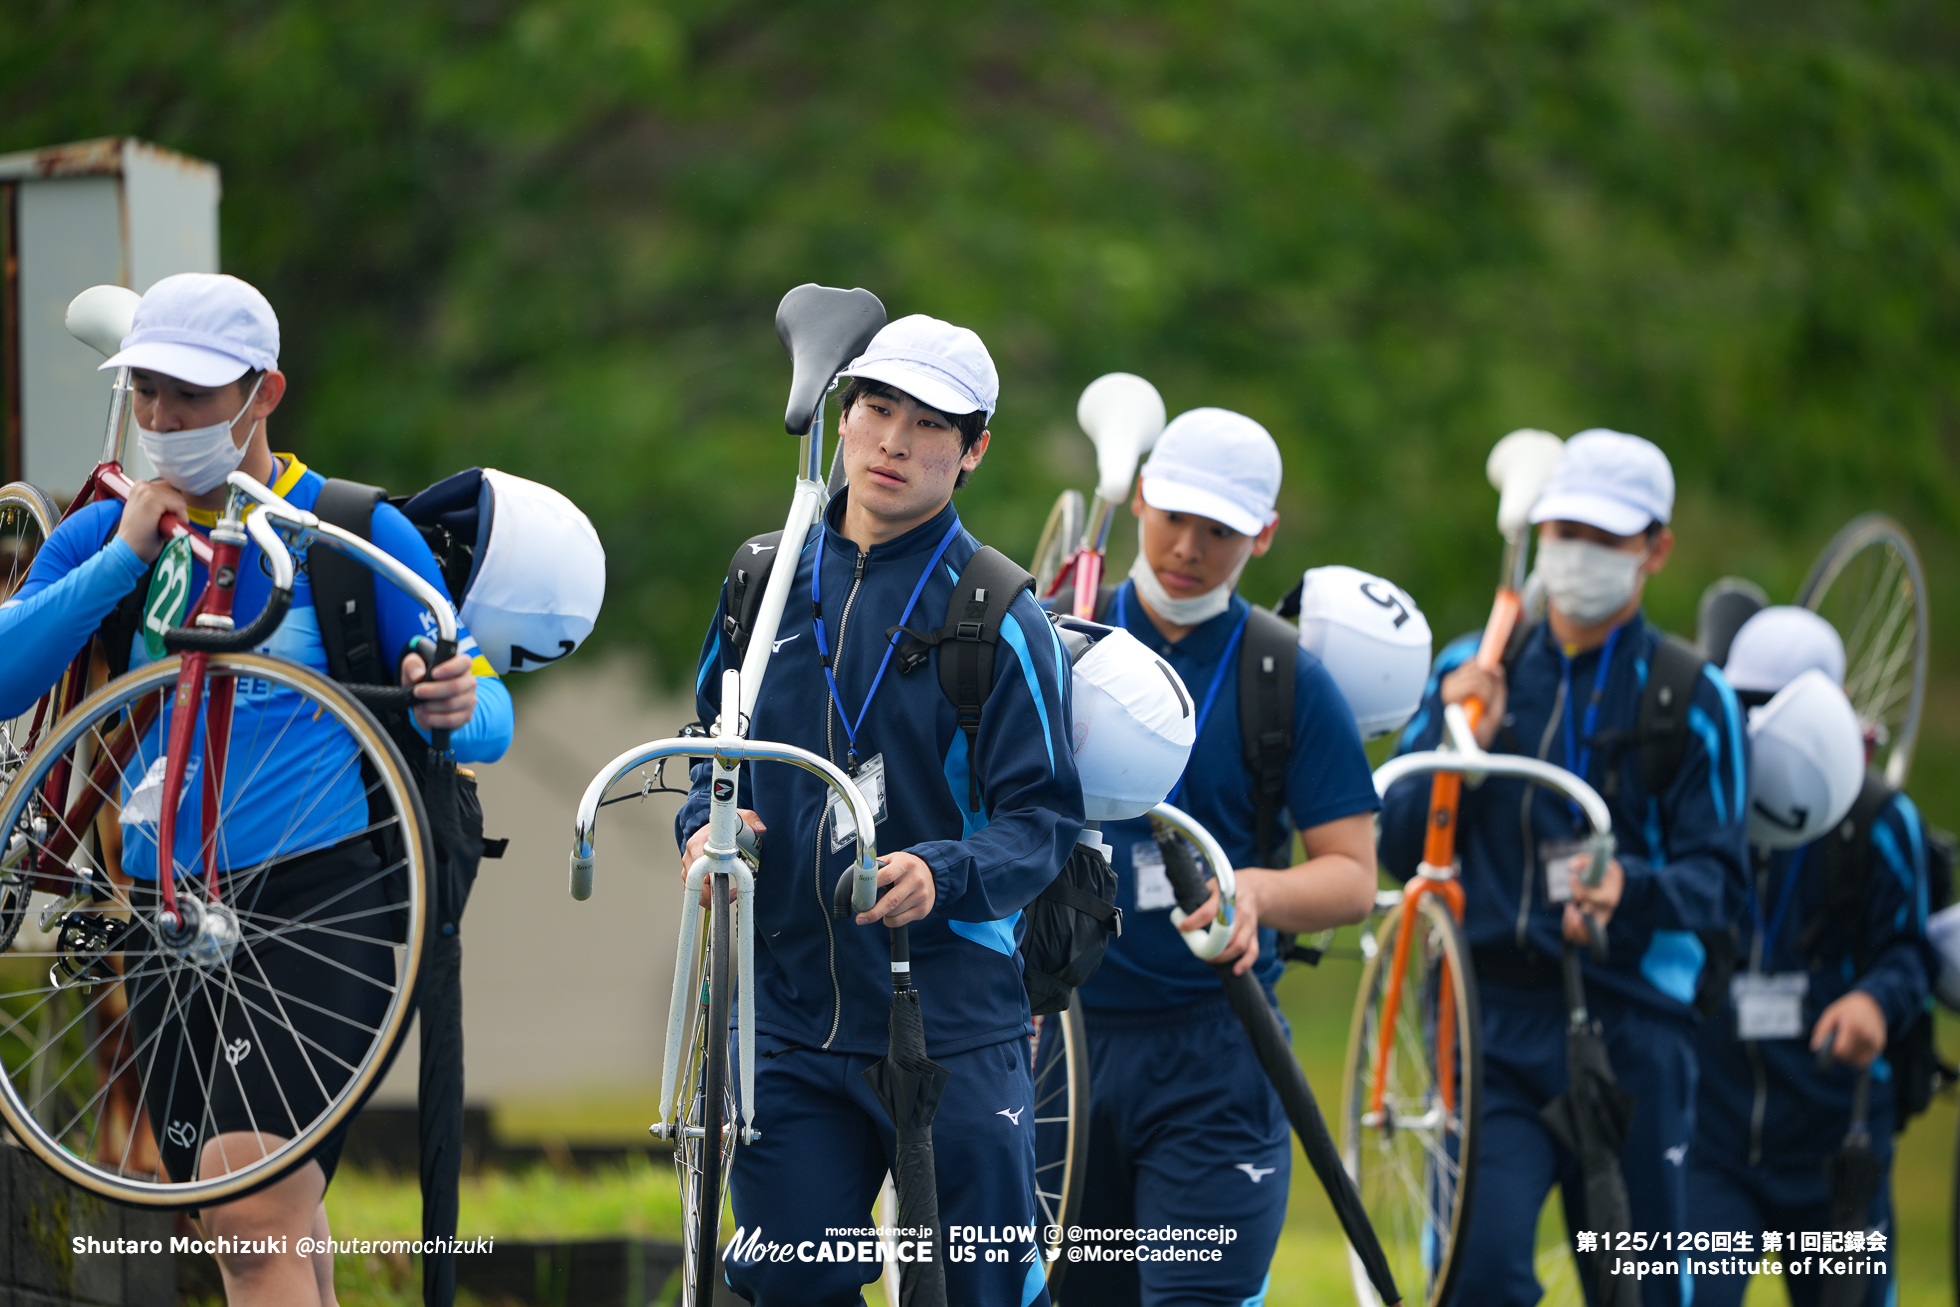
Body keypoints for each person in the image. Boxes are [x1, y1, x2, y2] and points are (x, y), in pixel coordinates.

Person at [0, 272, 513, 1307]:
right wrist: (123, 559)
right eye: (145, 392)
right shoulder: (110, 528)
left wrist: (454, 698)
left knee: (243, 1202)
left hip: (318, 895)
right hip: (164, 912)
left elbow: (488, 714)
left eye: (189, 396)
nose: (160, 419)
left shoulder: (352, 530)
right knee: (257, 1214)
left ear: (264, 391)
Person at [676, 313, 1082, 1307]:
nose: (894, 441)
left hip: (954, 1020)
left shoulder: (995, 609)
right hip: (787, 1026)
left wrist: (944, 871)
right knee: (792, 1286)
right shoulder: (758, 582)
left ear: (974, 448)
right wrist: (700, 830)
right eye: (876, 407)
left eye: (930, 423)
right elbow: (707, 753)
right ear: (840, 415)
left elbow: (1045, 821)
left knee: (972, 1290)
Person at [1380, 429, 1750, 1307]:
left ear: (1655, 549)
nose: (1578, 554)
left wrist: (1632, 892)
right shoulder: (1472, 670)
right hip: (1487, 1024)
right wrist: (1453, 741)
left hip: (1635, 1030)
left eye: (1606, 537)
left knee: (1642, 1291)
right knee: (1478, 1275)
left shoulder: (1692, 697)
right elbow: (1392, 845)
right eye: (1563, 530)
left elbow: (1726, 889)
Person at [1065, 408, 1381, 1306]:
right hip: (1058, 1043)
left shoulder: (1284, 676)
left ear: (1264, 535)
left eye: (1221, 531)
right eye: (1174, 516)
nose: (1189, 547)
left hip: (1217, 1055)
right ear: (1139, 502)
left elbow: (1353, 875)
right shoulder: (1055, 635)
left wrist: (1256, 894)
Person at [1689, 607, 1935, 1307]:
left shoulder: (1881, 821)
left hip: (1838, 1142)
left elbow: (1909, 949)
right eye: (1742, 707)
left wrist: (1873, 1001)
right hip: (1714, 1133)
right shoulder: (1706, 798)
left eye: (1775, 707)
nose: (1757, 728)